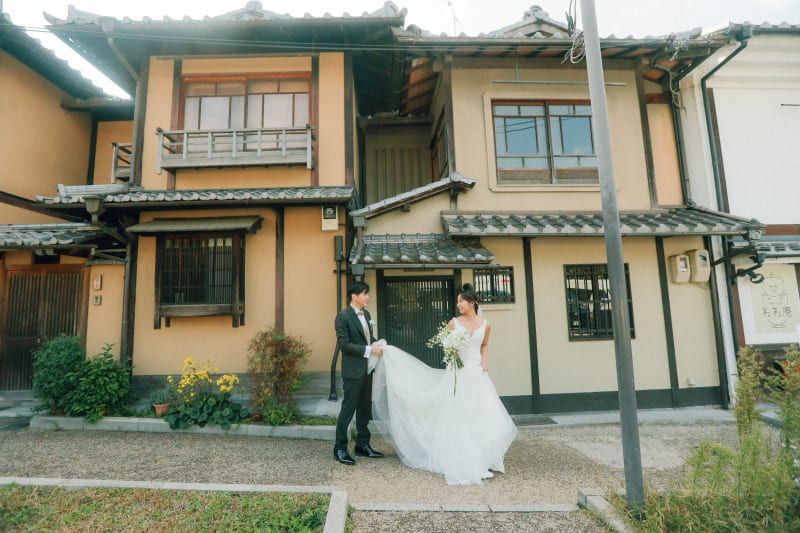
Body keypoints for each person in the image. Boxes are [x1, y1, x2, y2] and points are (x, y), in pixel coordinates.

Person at [371, 283, 518, 485]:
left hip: (477, 374)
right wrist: (452, 352)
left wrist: (485, 360)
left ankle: (480, 459)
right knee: (459, 415)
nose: (458, 305)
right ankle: (463, 459)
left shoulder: (486, 324)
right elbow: (448, 350)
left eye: (461, 301)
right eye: (457, 302)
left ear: (472, 302)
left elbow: (484, 345)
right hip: (458, 374)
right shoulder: (453, 323)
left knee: (480, 414)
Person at [333, 281, 385, 465]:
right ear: (354, 296)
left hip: (367, 369)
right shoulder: (342, 317)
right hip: (353, 371)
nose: (368, 297)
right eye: (364, 294)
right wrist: (370, 350)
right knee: (348, 409)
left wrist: (379, 344)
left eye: (367, 294)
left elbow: (368, 339)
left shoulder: (367, 314)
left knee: (364, 408)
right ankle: (340, 448)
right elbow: (344, 345)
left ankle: (362, 445)